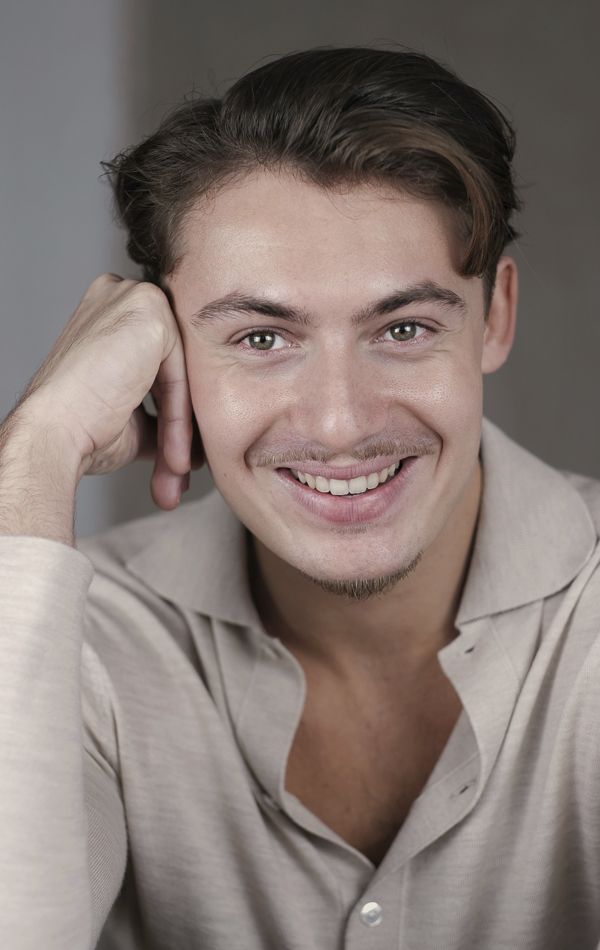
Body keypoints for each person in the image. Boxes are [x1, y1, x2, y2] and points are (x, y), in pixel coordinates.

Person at [1, 45, 599, 950]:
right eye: (262, 339)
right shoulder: (79, 642)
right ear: (166, 351)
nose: (338, 423)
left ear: (496, 316)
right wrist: (35, 451)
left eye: (404, 328)